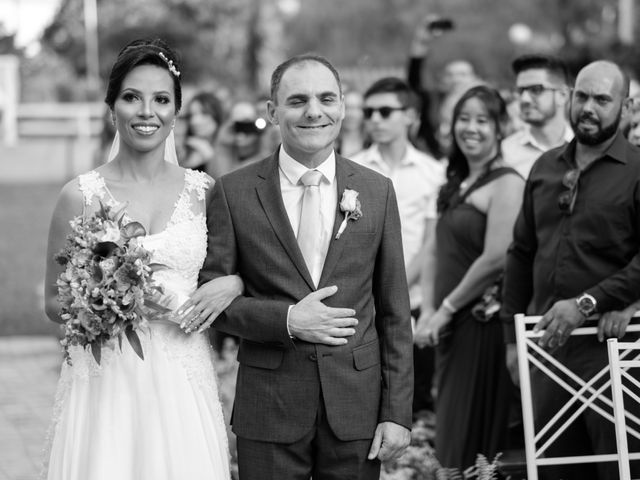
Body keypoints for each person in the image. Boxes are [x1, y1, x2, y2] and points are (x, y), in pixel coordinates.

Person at [196, 53, 413, 479]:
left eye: (326, 98)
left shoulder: (376, 190)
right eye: (297, 101)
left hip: (356, 406)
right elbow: (214, 303)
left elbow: (394, 310)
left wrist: (398, 411)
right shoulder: (233, 193)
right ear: (271, 111)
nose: (314, 111)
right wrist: (289, 320)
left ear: (343, 107)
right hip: (270, 405)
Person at [42, 38, 242, 480]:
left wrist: (236, 283)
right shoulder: (79, 195)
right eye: (132, 97)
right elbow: (54, 304)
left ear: (176, 112)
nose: (146, 111)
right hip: (104, 380)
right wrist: (110, 299)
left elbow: (235, 270)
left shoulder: (205, 192)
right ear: (112, 107)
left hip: (182, 378)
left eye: (161, 99)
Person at [502, 60, 640, 480]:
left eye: (602, 99)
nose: (589, 108)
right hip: (548, 348)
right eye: (582, 96)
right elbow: (521, 252)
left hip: (616, 346)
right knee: (555, 470)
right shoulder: (545, 167)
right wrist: (511, 338)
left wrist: (588, 302)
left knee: (617, 469)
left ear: (626, 107)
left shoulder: (636, 169)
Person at [413, 85, 524, 471]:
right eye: (464, 118)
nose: (471, 128)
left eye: (482, 120)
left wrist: (443, 310)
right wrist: (427, 311)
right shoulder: (455, 182)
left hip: (482, 325)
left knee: (470, 439)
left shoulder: (507, 182)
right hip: (448, 329)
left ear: (500, 128)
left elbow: (496, 258)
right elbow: (433, 251)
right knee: (449, 435)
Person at [351, 76, 444, 415]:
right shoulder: (351, 166)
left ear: (410, 115)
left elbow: (433, 241)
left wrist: (397, 288)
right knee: (365, 402)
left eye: (386, 111)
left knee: (414, 403)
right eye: (369, 111)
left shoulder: (435, 172)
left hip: (415, 300)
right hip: (362, 303)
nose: (375, 119)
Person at [407, 14, 479, 158]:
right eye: (451, 75)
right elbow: (415, 78)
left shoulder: (483, 103)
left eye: (463, 74)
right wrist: (421, 41)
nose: (457, 80)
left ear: (474, 77)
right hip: (436, 161)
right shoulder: (434, 102)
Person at [502, 54, 573, 178]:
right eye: (520, 91)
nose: (524, 99)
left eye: (536, 90)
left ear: (563, 95)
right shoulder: (505, 153)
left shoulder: (584, 149)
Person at [215, 100, 269, 172]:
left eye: (247, 126)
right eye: (239, 126)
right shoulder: (225, 151)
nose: (243, 132)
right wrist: (223, 144)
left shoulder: (265, 155)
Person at [180, 90, 226, 175]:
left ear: (216, 115)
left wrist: (208, 154)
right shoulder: (184, 147)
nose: (194, 121)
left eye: (204, 113)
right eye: (191, 115)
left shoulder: (229, 147)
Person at [335, 89, 369, 157]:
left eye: (358, 108)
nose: (352, 114)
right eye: (347, 108)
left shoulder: (372, 143)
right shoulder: (330, 143)